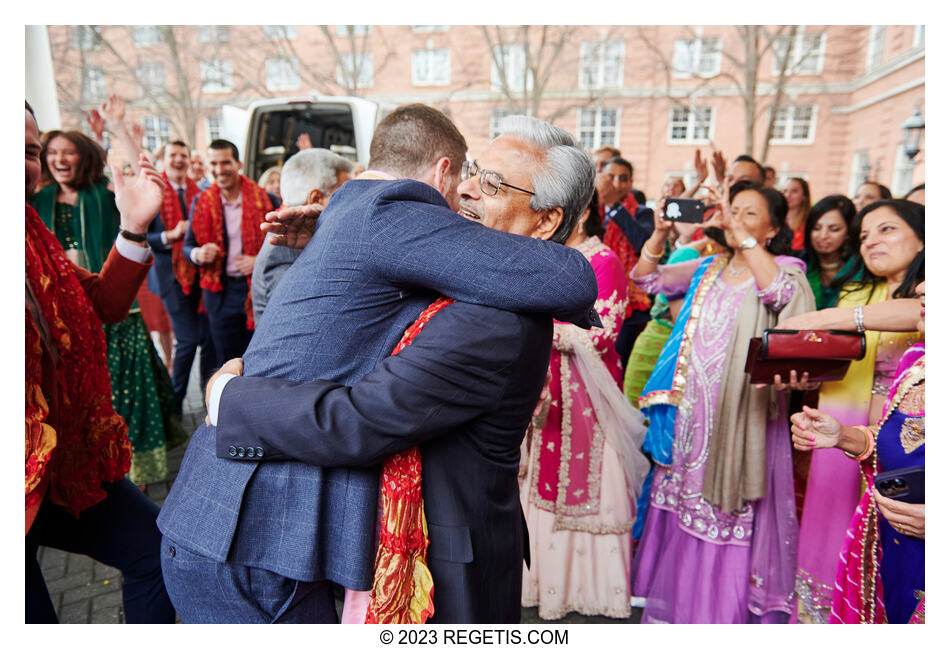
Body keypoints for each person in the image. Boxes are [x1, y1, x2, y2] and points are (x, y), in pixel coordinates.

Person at [158, 108, 601, 624]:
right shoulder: (462, 274)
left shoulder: (498, 318)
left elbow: (357, 420)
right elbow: (352, 297)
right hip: (347, 546)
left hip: (445, 566)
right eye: (474, 171)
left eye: (495, 184)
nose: (469, 190)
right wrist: (335, 232)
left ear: (547, 220)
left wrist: (226, 399)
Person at [630, 180, 814, 623]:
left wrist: (744, 239)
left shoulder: (784, 267)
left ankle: (720, 615)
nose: (736, 220)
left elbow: (782, 298)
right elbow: (647, 277)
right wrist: (659, 234)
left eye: (750, 214)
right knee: (682, 500)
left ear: (772, 230)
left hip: (740, 414)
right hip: (690, 413)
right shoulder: (708, 266)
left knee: (726, 505)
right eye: (733, 211)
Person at [25, 101, 175, 624]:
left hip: (66, 459)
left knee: (157, 553)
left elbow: (104, 302)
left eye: (29, 151)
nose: (28, 163)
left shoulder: (29, 228)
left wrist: (133, 227)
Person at [778, 199, 923, 623]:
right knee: (838, 536)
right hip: (850, 434)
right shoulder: (859, 292)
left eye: (887, 230)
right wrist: (804, 378)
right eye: (864, 235)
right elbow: (837, 367)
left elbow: (915, 313)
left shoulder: (923, 299)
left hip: (908, 451)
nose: (871, 241)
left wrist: (825, 317)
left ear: (923, 239)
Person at [520, 190, 650, 619]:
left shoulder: (604, 261)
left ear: (585, 213)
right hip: (546, 388)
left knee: (589, 478)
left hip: (588, 393)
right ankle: (543, 583)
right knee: (539, 473)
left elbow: (604, 332)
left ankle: (586, 588)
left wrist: (541, 332)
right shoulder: (544, 256)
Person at [31, 128, 183, 486]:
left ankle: (133, 473)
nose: (59, 160)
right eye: (50, 153)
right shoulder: (36, 204)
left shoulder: (105, 195)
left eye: (69, 152)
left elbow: (142, 177)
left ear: (85, 157)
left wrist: (118, 125)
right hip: (60, 329)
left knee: (126, 399)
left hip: (116, 320)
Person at [183, 139, 280, 364]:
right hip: (219, 294)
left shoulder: (266, 199)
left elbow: (284, 246)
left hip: (256, 291)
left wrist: (258, 260)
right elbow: (187, 248)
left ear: (238, 164)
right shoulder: (201, 201)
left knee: (257, 359)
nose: (219, 170)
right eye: (214, 164)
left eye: (225, 163)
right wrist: (198, 254)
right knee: (225, 361)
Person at [142, 139, 217, 414]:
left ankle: (210, 400)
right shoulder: (153, 191)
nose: (179, 160)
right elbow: (139, 234)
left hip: (201, 275)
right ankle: (173, 408)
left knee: (209, 339)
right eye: (173, 155)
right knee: (187, 339)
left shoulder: (199, 191)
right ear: (164, 159)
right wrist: (169, 235)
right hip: (169, 276)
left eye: (183, 155)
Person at [252, 148, 353, 324]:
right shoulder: (283, 249)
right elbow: (303, 320)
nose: (352, 203)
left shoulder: (309, 236)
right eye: (345, 195)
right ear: (315, 199)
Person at [599, 155, 655, 370]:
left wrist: (615, 205)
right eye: (611, 177)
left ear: (631, 183)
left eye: (623, 179)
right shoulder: (592, 212)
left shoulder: (643, 213)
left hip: (628, 306)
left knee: (617, 365)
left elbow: (643, 244)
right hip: (595, 298)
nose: (616, 183)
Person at [802, 195, 857, 309]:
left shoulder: (859, 269)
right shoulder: (798, 265)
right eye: (816, 228)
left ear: (848, 233)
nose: (823, 236)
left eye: (834, 229)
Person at [783, 177, 811, 251]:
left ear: (804, 196)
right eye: (785, 191)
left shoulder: (810, 222)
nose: (787, 195)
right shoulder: (774, 219)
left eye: (794, 191)